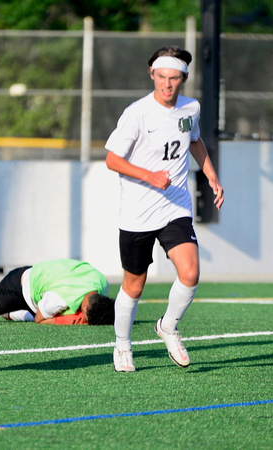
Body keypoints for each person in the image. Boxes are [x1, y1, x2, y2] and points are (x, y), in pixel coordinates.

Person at [104, 46, 224, 372]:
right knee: (134, 286)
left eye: (173, 78)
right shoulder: (137, 113)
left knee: (190, 272)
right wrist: (149, 176)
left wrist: (211, 176)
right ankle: (123, 346)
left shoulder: (191, 108)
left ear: (183, 78)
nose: (166, 85)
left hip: (175, 207)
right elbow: (112, 159)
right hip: (137, 213)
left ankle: (168, 326)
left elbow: (195, 140)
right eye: (161, 77)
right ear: (152, 74)